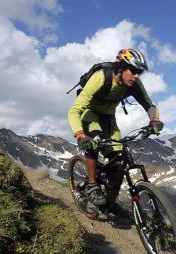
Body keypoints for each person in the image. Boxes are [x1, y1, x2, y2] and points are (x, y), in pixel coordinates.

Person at [68, 48, 164, 209]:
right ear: (120, 68)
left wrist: (154, 120)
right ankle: (91, 185)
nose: (136, 76)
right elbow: (74, 111)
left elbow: (149, 105)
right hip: (89, 114)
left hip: (109, 119)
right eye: (133, 71)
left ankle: (109, 199)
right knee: (94, 142)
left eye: (139, 72)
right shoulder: (101, 78)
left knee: (118, 160)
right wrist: (80, 135)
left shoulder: (134, 84)